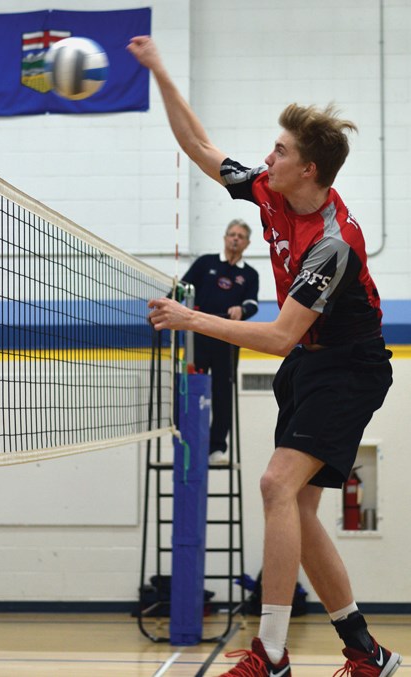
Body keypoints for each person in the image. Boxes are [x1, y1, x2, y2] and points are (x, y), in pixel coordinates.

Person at [127, 36, 402, 677]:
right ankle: (367, 653)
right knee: (297, 512)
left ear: (308, 169)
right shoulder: (272, 192)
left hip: (350, 366)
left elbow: (277, 335)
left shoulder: (332, 244)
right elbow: (199, 148)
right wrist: (161, 71)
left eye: (280, 150)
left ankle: (271, 655)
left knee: (277, 484)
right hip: (307, 364)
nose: (267, 156)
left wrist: (189, 317)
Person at [180, 218, 259, 464]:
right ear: (225, 238)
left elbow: (252, 304)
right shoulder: (206, 263)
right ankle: (190, 441)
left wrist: (241, 311)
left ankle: (217, 448)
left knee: (222, 393)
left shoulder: (250, 274)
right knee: (192, 388)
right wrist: (166, 304)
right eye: (232, 234)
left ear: (247, 243)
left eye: (240, 236)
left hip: (228, 339)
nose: (235, 238)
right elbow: (182, 288)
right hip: (198, 337)